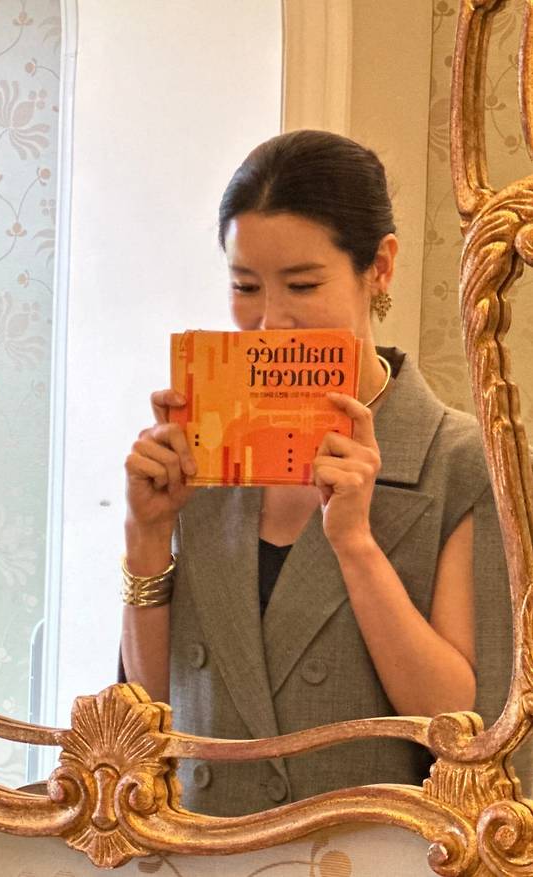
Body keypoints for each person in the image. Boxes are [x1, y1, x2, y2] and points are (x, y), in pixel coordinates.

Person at [120, 130, 511, 816]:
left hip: (373, 850)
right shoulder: (203, 450)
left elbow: (467, 729)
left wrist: (356, 544)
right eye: (245, 286)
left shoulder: (460, 461)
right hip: (204, 848)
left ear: (379, 267)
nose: (271, 321)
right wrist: (146, 535)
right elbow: (153, 714)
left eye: (303, 284)